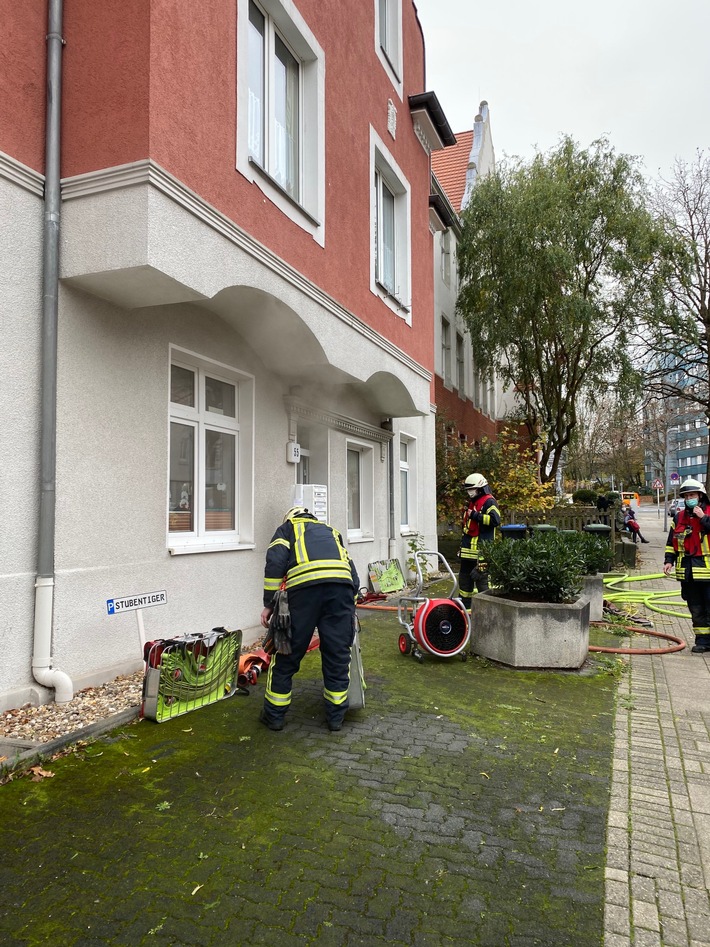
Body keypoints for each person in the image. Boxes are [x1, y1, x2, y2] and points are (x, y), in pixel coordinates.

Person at [260, 507, 360, 731]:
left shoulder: (287, 529)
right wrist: (350, 603)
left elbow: (275, 563)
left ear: (289, 517)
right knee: (338, 654)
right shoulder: (332, 532)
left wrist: (269, 605)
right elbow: (351, 571)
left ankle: (274, 716)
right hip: (339, 591)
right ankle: (335, 718)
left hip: (304, 593)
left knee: (287, 651)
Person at [663, 478, 710, 654]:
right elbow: (671, 542)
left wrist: (703, 518)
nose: (689, 498)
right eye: (686, 496)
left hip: (708, 573)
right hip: (688, 573)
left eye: (692, 495)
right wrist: (668, 560)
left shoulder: (708, 513)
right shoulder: (679, 517)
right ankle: (703, 641)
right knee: (696, 608)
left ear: (700, 496)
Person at [458, 473, 501, 609]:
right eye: (468, 490)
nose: (469, 492)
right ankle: (466, 612)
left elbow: (495, 520)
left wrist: (476, 515)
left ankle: (485, 613)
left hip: (481, 554)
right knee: (464, 585)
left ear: (481, 488)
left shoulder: (489, 502)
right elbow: (467, 528)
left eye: (472, 489)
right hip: (467, 554)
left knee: (482, 585)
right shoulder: (472, 502)